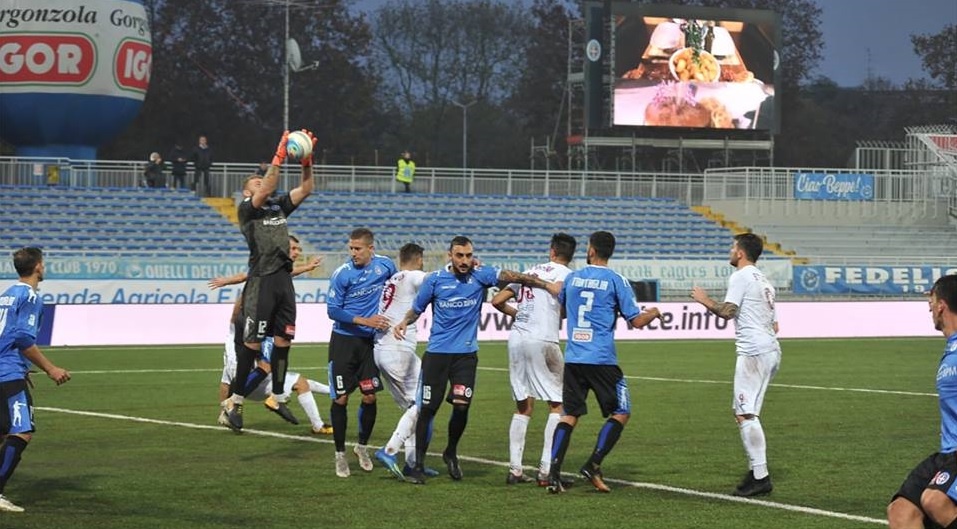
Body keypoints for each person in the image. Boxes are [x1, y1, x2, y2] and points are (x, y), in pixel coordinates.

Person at [393, 236, 561, 484]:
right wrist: (404, 322)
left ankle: (451, 451)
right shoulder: (435, 281)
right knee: (428, 408)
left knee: (461, 405)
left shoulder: (481, 275)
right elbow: (416, 309)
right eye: (459, 255)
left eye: (468, 255)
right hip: (437, 355)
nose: (464, 260)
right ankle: (417, 464)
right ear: (449, 256)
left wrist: (545, 284)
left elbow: (514, 277)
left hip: (465, 356)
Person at [545, 231, 662, 494]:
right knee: (622, 411)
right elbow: (636, 321)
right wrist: (654, 312)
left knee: (569, 414)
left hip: (574, 357)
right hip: (601, 358)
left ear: (592, 250)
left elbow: (562, 305)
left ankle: (553, 476)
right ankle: (593, 463)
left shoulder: (573, 278)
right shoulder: (616, 280)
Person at [224, 130, 317, 433]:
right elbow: (268, 186)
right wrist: (279, 155)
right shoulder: (247, 210)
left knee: (283, 341)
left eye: (258, 180)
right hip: (261, 281)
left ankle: (277, 396)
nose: (259, 184)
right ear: (248, 192)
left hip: (283, 282)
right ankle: (234, 402)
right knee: (251, 345)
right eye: (255, 183)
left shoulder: (277, 206)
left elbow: (306, 188)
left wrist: (307, 160)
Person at [690, 232, 781, 497]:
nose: (731, 251)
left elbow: (728, 311)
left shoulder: (740, 276)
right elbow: (775, 323)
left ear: (740, 253)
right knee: (745, 412)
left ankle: (761, 476)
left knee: (745, 413)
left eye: (733, 247)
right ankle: (756, 470)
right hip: (769, 348)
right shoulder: (764, 280)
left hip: (754, 351)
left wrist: (703, 299)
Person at [491, 233, 576, 486]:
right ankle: (545, 470)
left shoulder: (528, 271)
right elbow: (565, 307)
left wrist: (518, 314)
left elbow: (496, 301)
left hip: (517, 339)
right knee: (558, 404)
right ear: (569, 256)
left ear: (551, 251)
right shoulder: (567, 276)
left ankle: (515, 470)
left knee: (524, 406)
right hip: (543, 339)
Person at [0, 247, 71, 513]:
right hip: (7, 371)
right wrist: (50, 368)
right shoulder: (30, 296)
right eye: (44, 263)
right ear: (38, 267)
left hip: (6, 367)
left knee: (3, 430)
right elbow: (22, 337)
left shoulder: (7, 294)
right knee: (22, 430)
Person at [887, 274, 957, 529]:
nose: (929, 307)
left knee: (936, 501)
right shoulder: (951, 348)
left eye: (932, 300)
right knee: (901, 512)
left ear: (941, 306)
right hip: (947, 453)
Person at [326, 228, 397, 477]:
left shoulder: (386, 266)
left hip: (369, 345)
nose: (353, 253)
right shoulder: (341, 275)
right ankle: (339, 455)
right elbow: (333, 311)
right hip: (344, 343)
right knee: (341, 399)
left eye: (357, 249)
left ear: (370, 249)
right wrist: (365, 321)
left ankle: (362, 447)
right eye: (351, 248)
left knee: (369, 397)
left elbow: (397, 289)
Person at [370, 243, 435, 480]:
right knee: (425, 401)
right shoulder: (413, 275)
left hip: (382, 350)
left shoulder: (392, 280)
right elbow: (432, 279)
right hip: (398, 351)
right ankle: (389, 450)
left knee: (414, 408)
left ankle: (412, 464)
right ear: (418, 259)